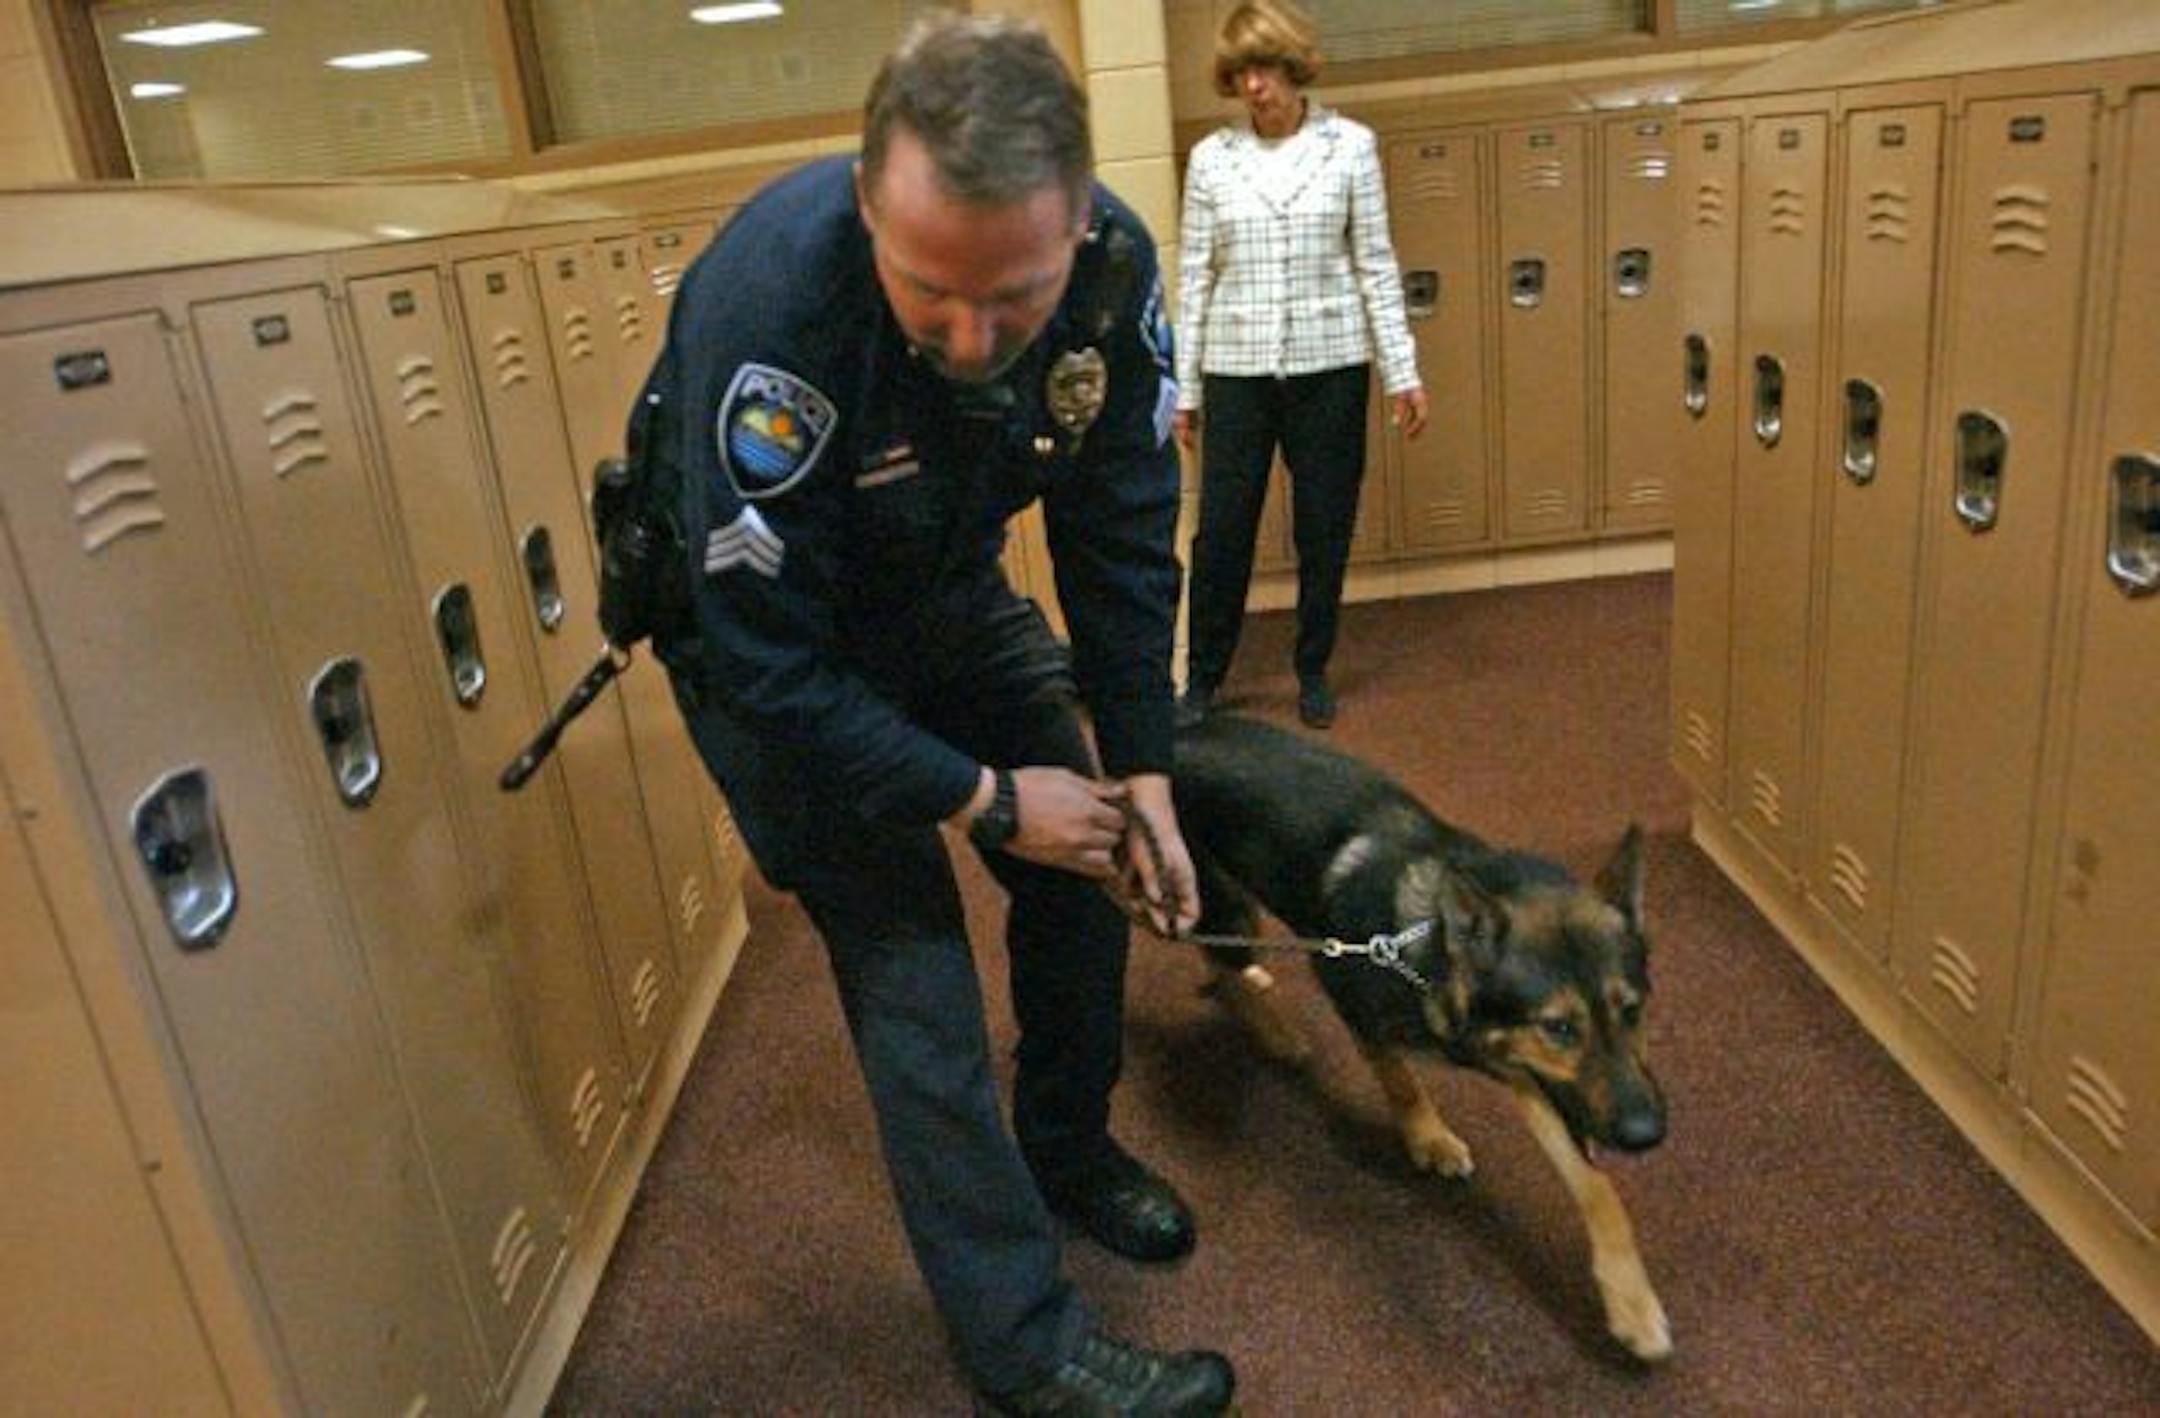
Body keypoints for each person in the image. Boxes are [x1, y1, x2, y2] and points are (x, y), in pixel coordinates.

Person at [629, 12, 1234, 1415]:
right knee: (914, 970)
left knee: (1088, 862)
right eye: (929, 293)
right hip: (773, 657)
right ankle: (1026, 1345)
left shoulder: (1117, 273)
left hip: (940, 591)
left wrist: (1138, 768)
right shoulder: (775, 307)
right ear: (865, 208)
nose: (971, 341)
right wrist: (986, 799)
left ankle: (1068, 1146)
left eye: (1011, 298)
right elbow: (773, 667)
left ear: (1078, 223)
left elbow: (1125, 535)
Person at [1172, 0, 1428, 731]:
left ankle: (1312, 667)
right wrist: (1185, 390)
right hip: (1237, 369)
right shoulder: (1213, 160)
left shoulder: (1350, 147)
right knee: (1222, 530)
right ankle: (1205, 677)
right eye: (1242, 71)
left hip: (1331, 367)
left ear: (1294, 68)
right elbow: (1195, 277)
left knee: (1324, 525)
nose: (1256, 86)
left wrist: (1402, 371)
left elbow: (1375, 264)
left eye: (1268, 68)